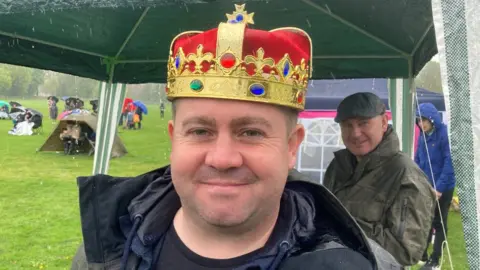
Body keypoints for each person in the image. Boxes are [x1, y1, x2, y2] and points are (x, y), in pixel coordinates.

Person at [71, 5, 402, 270]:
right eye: (201, 131)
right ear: (174, 140)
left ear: (292, 146)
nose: (223, 159)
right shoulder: (104, 252)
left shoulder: (362, 264)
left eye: (251, 132)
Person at [323, 92, 436, 266]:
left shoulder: (406, 176)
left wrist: (342, 223)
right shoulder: (338, 166)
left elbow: (405, 251)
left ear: (383, 123)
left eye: (363, 123)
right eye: (347, 125)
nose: (355, 133)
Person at [415, 103, 456, 270]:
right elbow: (418, 159)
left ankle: (436, 259)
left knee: (439, 222)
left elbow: (449, 163)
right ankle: (422, 254)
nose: (420, 124)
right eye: (418, 121)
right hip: (427, 185)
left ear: (432, 120)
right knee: (425, 220)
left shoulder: (444, 134)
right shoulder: (422, 136)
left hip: (443, 187)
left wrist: (439, 188)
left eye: (423, 121)